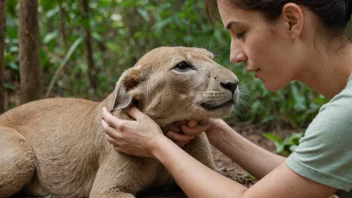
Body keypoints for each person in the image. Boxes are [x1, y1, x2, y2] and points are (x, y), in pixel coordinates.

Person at [101, 0, 352, 197]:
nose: (233, 58)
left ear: (291, 21)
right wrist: (216, 130)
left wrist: (156, 143)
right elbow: (303, 176)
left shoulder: (345, 114)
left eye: (240, 33)